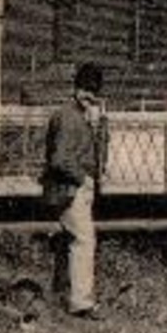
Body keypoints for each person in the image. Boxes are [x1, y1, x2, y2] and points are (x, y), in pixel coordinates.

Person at [42, 62, 107, 319]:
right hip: (69, 188)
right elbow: (59, 159)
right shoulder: (69, 117)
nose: (89, 96)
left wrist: (98, 125)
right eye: (85, 90)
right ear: (76, 89)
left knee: (73, 241)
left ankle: (65, 292)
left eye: (93, 91)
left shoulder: (79, 116)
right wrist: (83, 179)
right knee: (84, 241)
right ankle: (81, 303)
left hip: (75, 188)